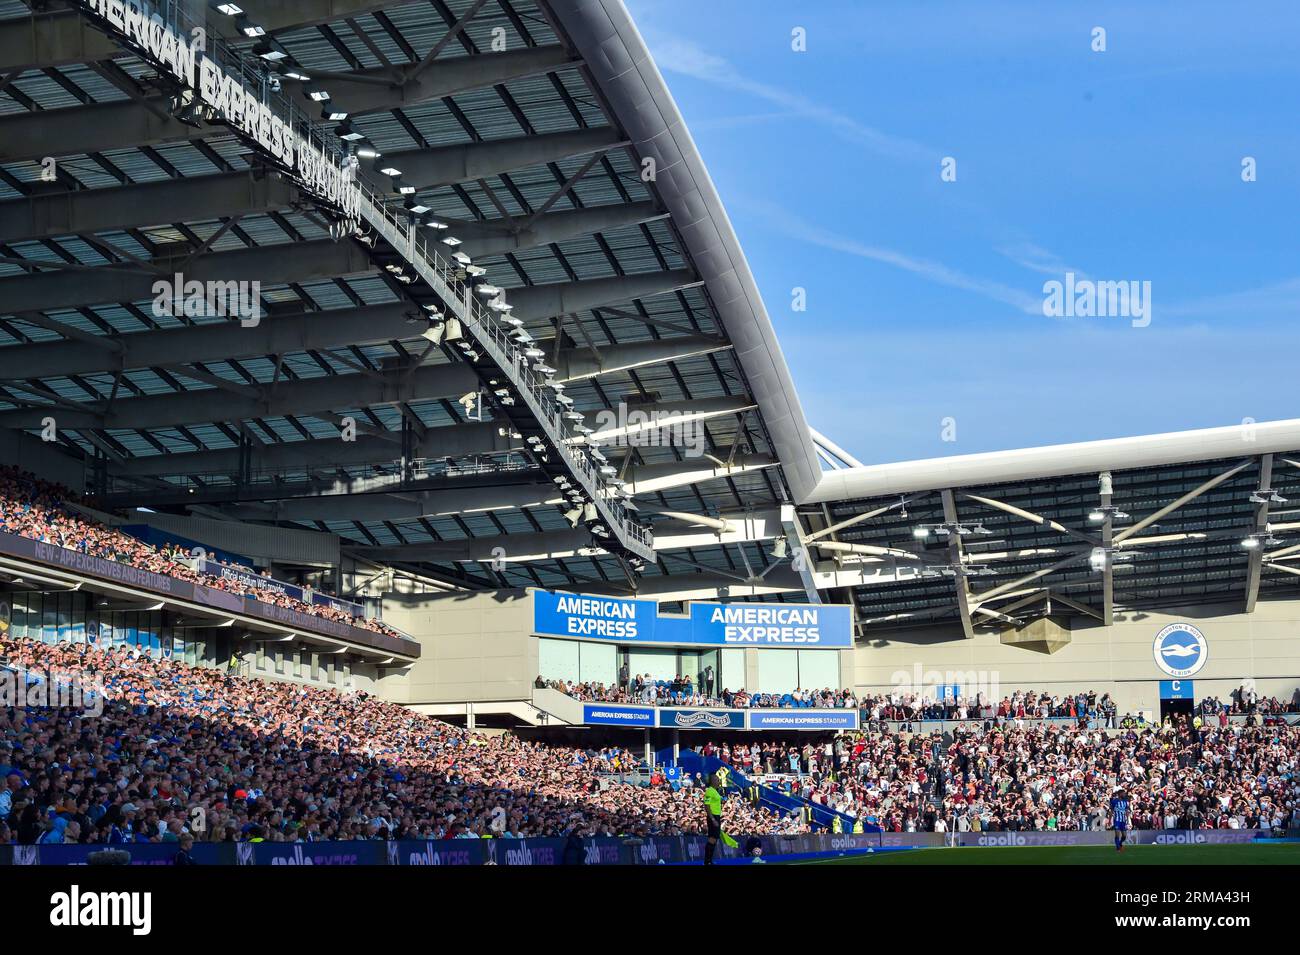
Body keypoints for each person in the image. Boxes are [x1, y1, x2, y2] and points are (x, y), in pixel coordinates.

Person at [1109, 787, 1131, 852]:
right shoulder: (1114, 801)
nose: (1125, 795)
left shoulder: (1125, 801)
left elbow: (1127, 811)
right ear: (1120, 794)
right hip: (1117, 820)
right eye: (1123, 793)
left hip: (1123, 821)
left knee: (1124, 836)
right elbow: (1111, 811)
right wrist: (1110, 820)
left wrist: (1128, 820)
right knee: (1117, 834)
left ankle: (1120, 843)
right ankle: (1118, 848)